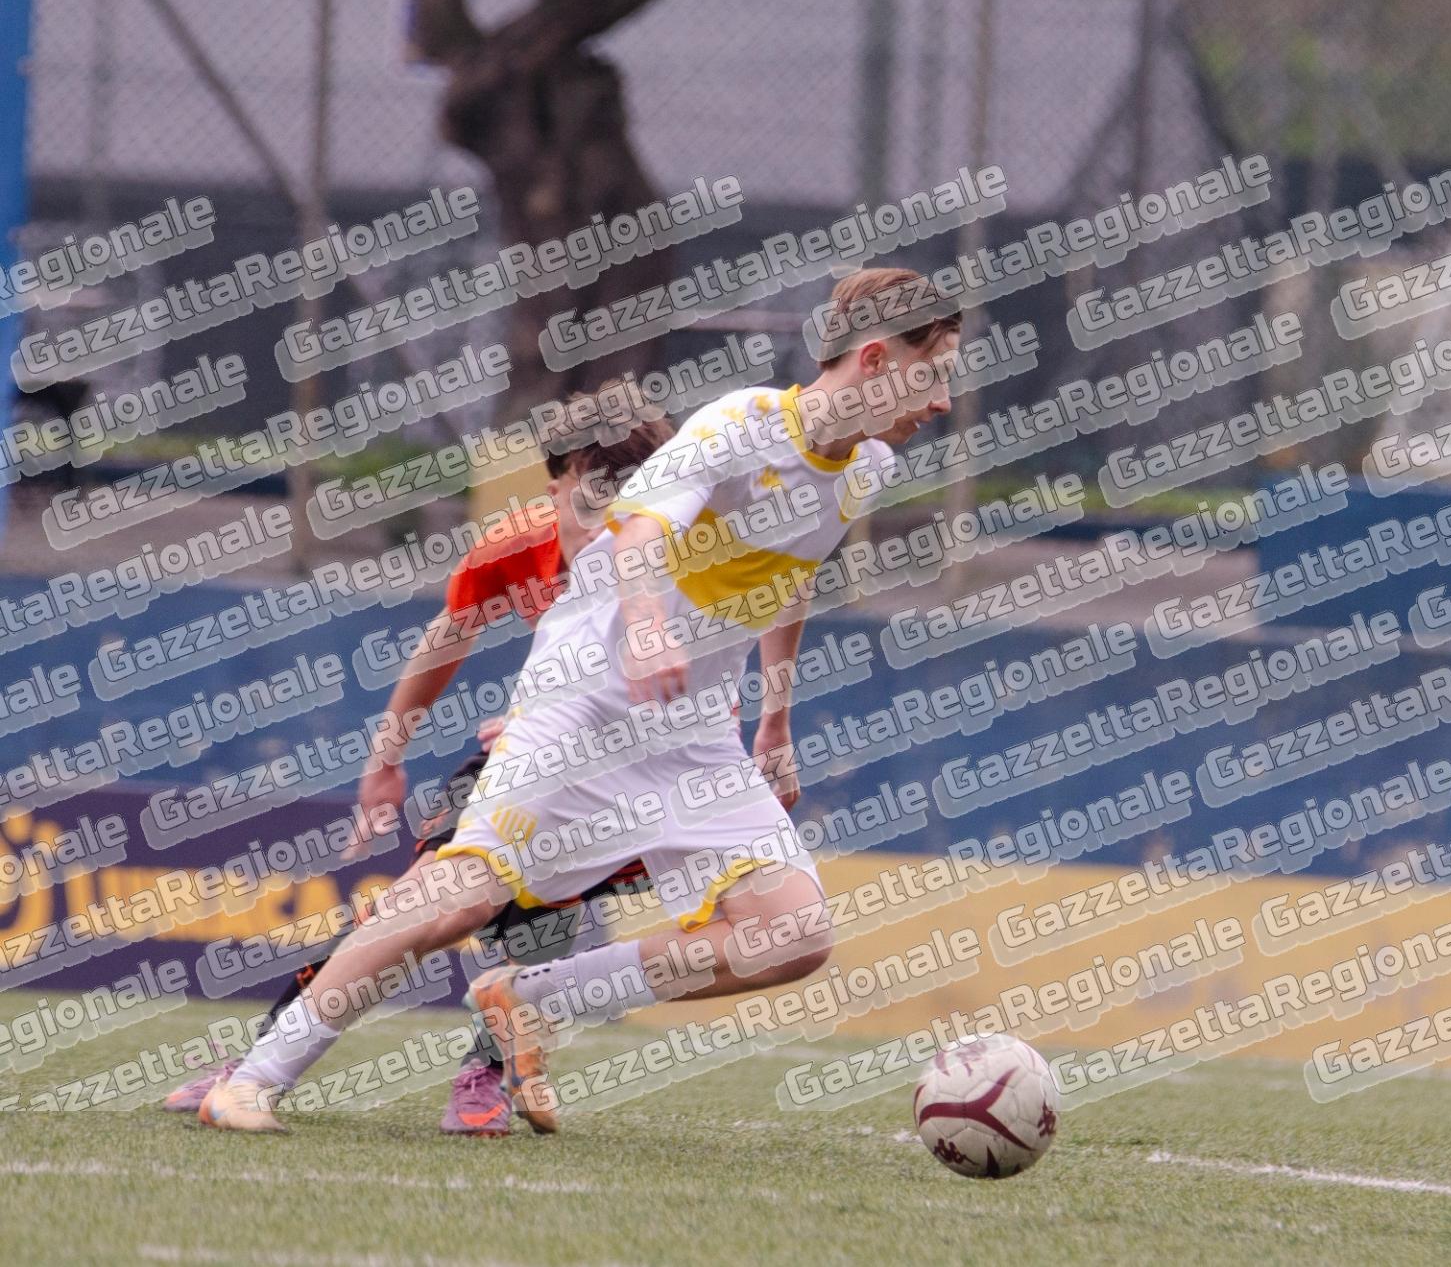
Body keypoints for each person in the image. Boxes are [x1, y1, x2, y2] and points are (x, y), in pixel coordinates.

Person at [198, 266, 960, 1133]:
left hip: (693, 733)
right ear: (874, 359)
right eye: (933, 373)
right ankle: (252, 1080)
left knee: (793, 933)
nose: (941, 401)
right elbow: (637, 534)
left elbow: (793, 578)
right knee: (461, 897)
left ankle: (531, 997)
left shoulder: (866, 467)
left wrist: (775, 721)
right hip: (585, 698)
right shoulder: (739, 424)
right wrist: (645, 624)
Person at [168, 389, 671, 1135]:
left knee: (556, 899)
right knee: (418, 904)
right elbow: (447, 636)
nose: (609, 515)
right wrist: (387, 757)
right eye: (591, 489)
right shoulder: (519, 543)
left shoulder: (681, 551)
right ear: (554, 484)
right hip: (532, 755)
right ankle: (259, 1062)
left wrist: (771, 734)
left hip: (643, 772)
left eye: (628, 491)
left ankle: (486, 1071)